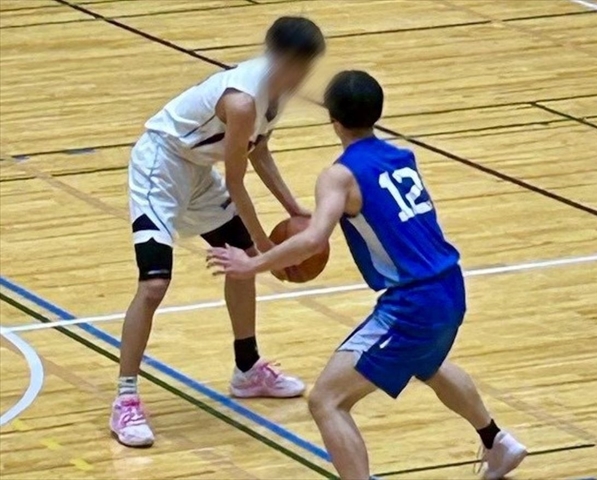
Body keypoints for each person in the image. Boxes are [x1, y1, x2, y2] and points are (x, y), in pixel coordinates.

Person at [207, 70, 528, 480]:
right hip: (451, 287)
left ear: (332, 119)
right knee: (427, 362)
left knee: (326, 401)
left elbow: (313, 240)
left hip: (412, 303)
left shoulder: (340, 175)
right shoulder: (400, 156)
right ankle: (497, 441)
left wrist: (252, 263)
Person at [110, 17, 325, 448]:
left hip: (196, 171)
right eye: (301, 65)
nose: (306, 74)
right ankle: (125, 399)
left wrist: (293, 208)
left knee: (241, 264)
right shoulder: (242, 101)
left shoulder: (277, 93)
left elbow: (258, 152)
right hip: (161, 166)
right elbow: (237, 180)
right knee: (154, 285)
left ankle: (247, 370)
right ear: (281, 59)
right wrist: (266, 247)